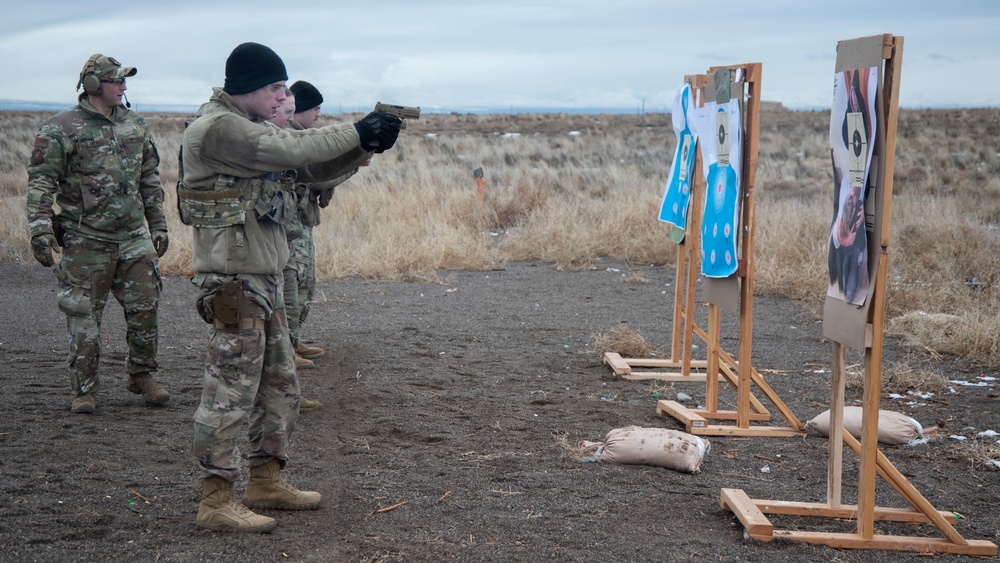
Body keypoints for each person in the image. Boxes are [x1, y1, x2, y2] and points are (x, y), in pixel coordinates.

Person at [180, 42, 399, 532]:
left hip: (265, 277)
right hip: (235, 279)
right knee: (230, 391)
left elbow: (311, 171)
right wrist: (357, 129)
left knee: (280, 385)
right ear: (252, 88)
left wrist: (366, 146)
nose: (285, 96)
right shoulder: (218, 129)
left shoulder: (254, 128)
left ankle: (264, 481)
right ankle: (215, 499)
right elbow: (295, 148)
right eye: (277, 87)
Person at [26, 53, 170, 414]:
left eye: (124, 81)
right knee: (84, 317)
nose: (123, 87)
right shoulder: (61, 128)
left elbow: (149, 179)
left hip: (134, 236)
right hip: (86, 238)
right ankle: (85, 390)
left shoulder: (136, 124)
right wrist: (40, 230)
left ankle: (141, 374)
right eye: (116, 81)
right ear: (93, 85)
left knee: (145, 308)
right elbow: (41, 182)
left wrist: (159, 224)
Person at [284, 80, 369, 370]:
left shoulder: (304, 136)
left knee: (305, 284)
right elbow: (319, 178)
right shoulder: (290, 138)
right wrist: (355, 162)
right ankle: (284, 347)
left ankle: (291, 341)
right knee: (292, 286)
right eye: (315, 109)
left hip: (301, 222)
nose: (318, 115)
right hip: (289, 225)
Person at [266, 89, 321, 413]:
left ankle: (286, 397)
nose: (315, 116)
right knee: (281, 313)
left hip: (285, 235)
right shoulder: (272, 141)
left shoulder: (286, 138)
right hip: (272, 243)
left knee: (295, 298)